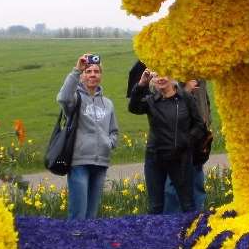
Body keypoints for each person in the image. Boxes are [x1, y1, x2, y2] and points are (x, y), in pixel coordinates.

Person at [128, 68, 205, 214]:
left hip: (181, 158)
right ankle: (157, 235)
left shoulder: (185, 98)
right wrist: (141, 84)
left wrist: (185, 141)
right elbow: (133, 107)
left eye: (163, 74)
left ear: (172, 76)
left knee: (187, 204)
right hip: (155, 159)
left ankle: (189, 234)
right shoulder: (151, 100)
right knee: (155, 206)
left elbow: (199, 125)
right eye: (156, 75)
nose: (160, 78)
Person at [56, 53, 118, 220]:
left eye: (96, 71)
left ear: (101, 75)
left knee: (92, 215)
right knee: (78, 213)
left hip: (101, 162)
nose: (92, 75)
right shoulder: (75, 99)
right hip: (79, 162)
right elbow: (62, 98)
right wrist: (76, 70)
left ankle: (88, 245)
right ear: (83, 75)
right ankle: (74, 243)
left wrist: (109, 143)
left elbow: (114, 131)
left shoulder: (108, 103)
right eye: (88, 71)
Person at [164, 78, 212, 213]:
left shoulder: (199, 75)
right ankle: (170, 222)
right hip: (178, 134)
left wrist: (207, 121)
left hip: (198, 134)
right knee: (174, 181)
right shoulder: (171, 73)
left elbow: (204, 100)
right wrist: (186, 90)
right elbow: (166, 101)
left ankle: (196, 218)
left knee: (197, 177)